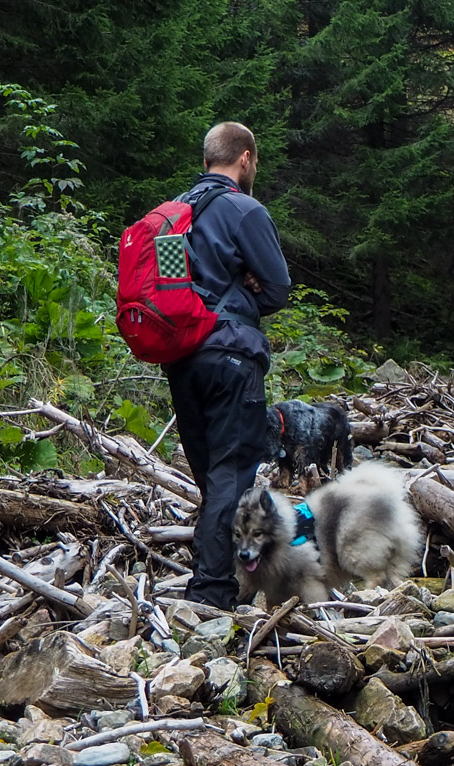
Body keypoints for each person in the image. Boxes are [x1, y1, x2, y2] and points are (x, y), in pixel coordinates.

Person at [162, 121, 291, 608]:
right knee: (231, 474)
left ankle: (212, 574)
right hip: (232, 354)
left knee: (211, 475)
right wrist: (249, 285)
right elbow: (277, 288)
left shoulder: (174, 214)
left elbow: (175, 289)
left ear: (205, 161)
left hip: (183, 356)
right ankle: (212, 590)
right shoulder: (244, 208)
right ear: (246, 158)